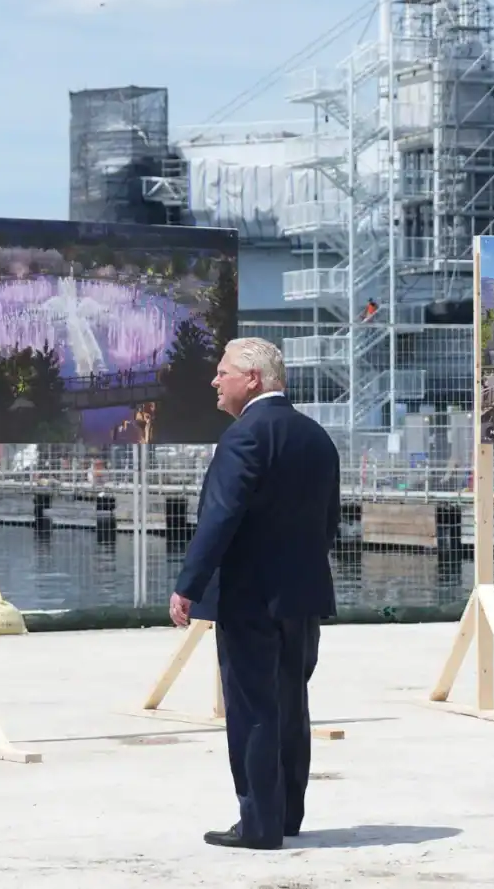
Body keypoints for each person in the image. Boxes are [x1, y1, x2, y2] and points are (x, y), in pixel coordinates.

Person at [168, 337, 339, 851]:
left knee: (253, 710)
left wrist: (187, 587)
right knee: (291, 704)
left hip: (248, 598)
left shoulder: (244, 437)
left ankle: (260, 824)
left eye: (223, 373)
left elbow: (219, 519)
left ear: (254, 379)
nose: (215, 382)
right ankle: (287, 815)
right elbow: (328, 521)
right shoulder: (316, 437)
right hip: (302, 596)